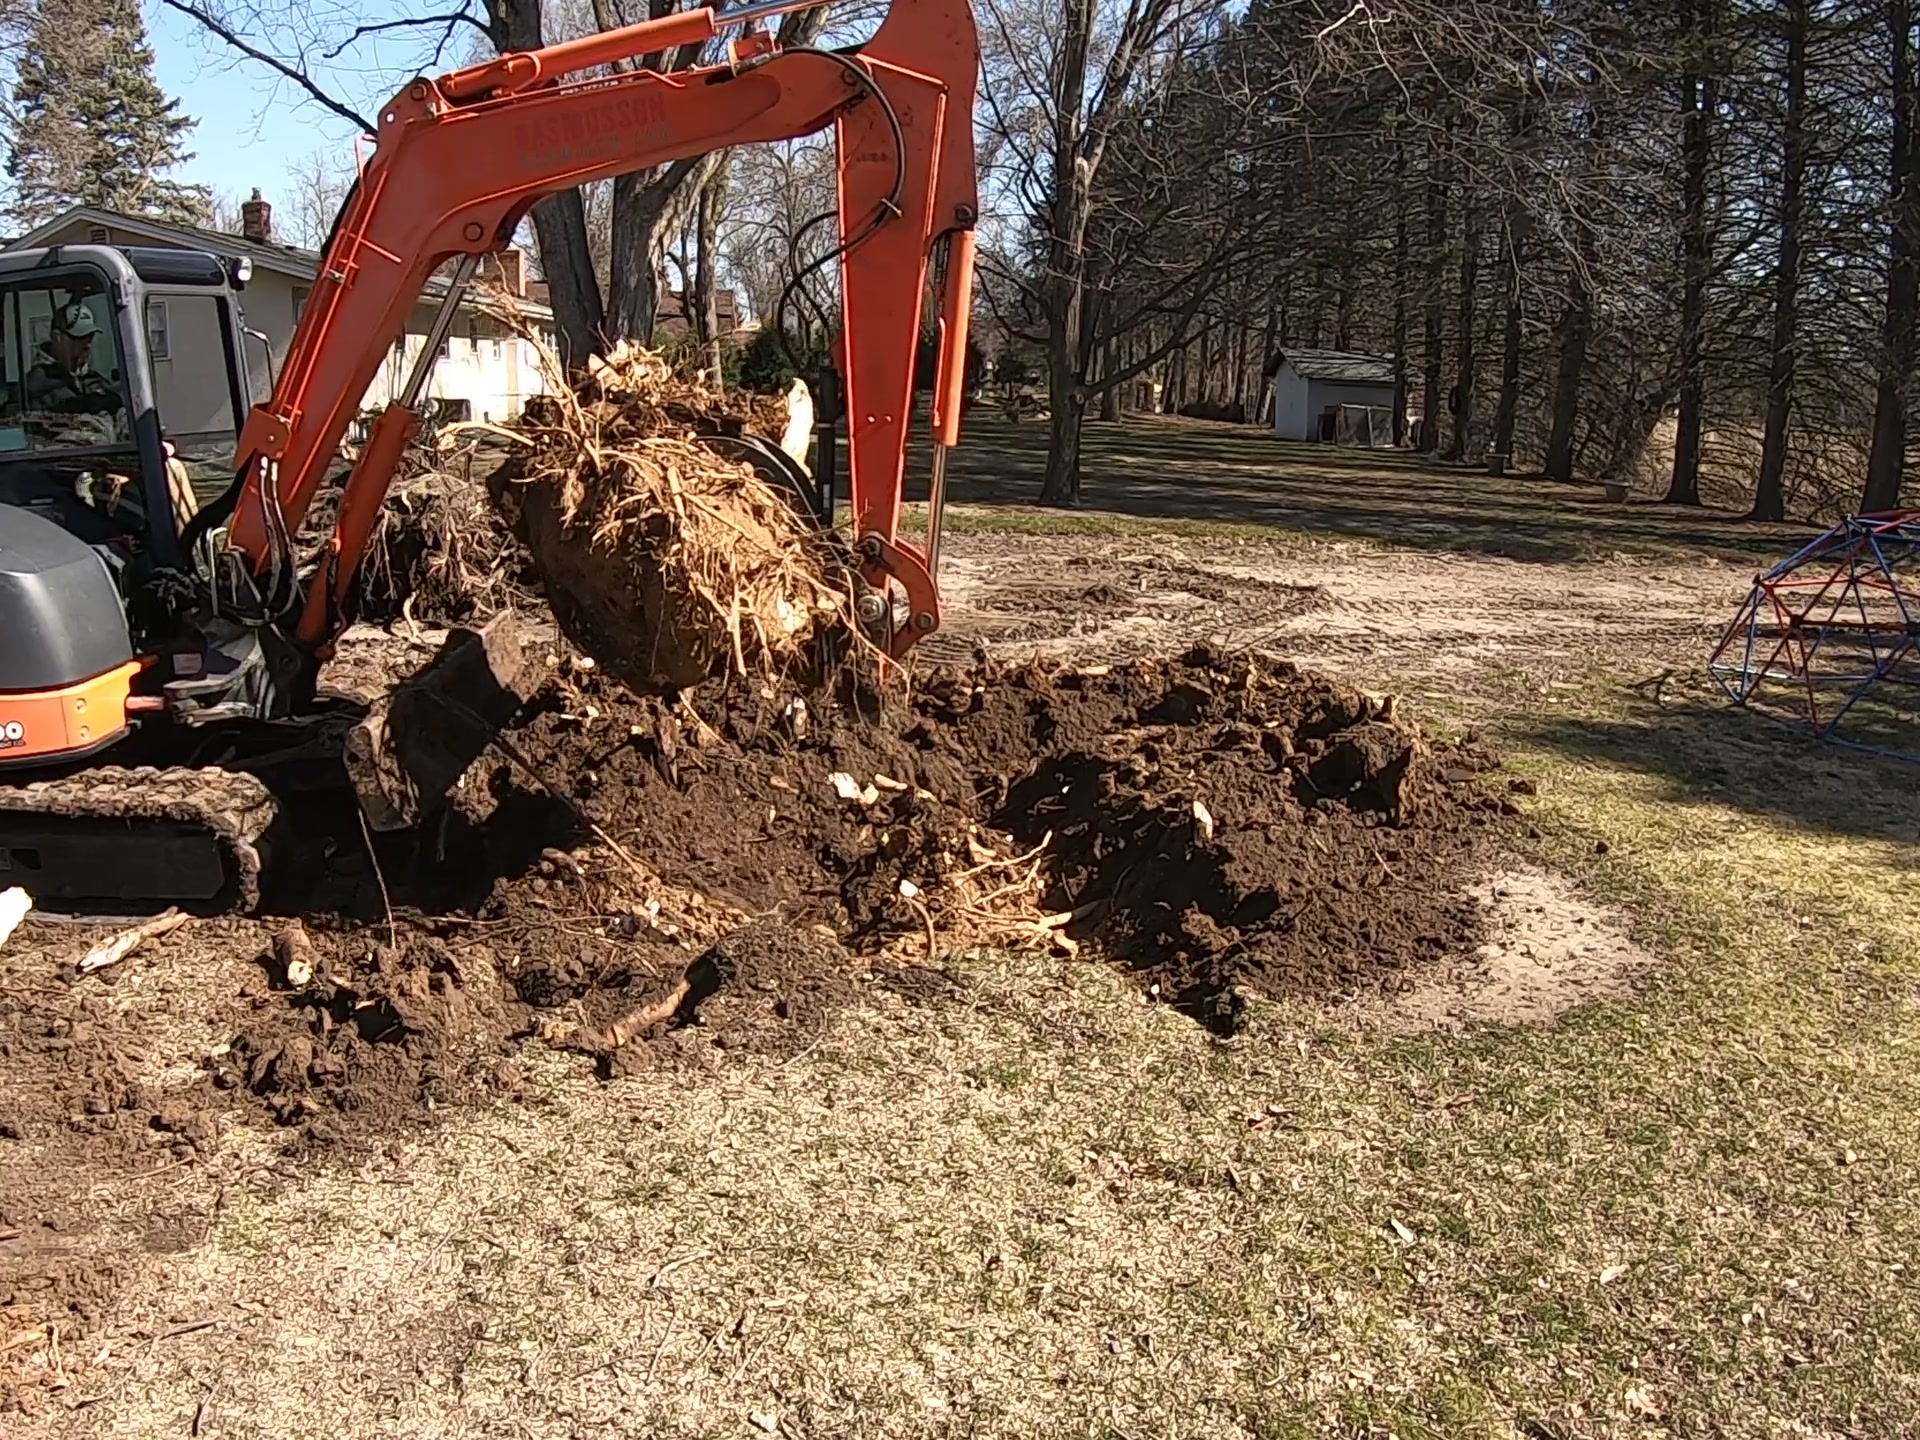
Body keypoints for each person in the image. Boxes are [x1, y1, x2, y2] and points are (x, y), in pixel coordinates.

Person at [24, 302, 123, 421]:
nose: (87, 344)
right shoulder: (37, 384)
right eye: (80, 337)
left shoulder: (93, 379)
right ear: (57, 337)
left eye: (90, 336)